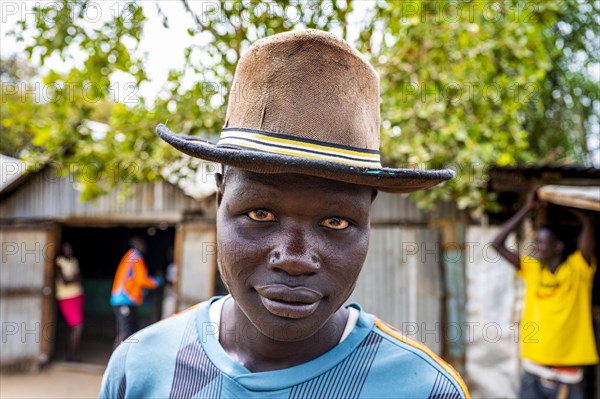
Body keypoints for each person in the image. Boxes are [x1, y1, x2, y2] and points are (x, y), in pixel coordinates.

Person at [100, 29, 469, 398]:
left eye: (335, 221)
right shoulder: (139, 368)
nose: (294, 259)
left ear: (368, 217)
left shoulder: (425, 389)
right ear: (220, 199)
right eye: (261, 213)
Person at [491, 188, 597, 398]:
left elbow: (588, 226)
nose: (535, 246)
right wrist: (527, 208)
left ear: (558, 246)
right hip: (533, 371)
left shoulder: (577, 270)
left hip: (567, 377)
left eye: (541, 242)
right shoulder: (532, 270)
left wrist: (575, 210)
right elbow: (496, 243)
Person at [110, 236, 161, 348]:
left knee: (129, 330)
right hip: (124, 299)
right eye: (142, 244)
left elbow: (134, 280)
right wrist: (157, 281)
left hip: (125, 299)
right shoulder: (136, 257)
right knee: (126, 331)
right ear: (137, 245)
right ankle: (116, 359)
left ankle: (123, 358)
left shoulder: (130, 256)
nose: (145, 247)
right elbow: (141, 280)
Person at [55, 242, 84, 362]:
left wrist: (71, 278)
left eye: (70, 248)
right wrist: (74, 278)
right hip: (66, 297)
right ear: (61, 250)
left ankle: (72, 355)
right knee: (78, 326)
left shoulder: (74, 261)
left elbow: (79, 278)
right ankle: (72, 355)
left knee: (74, 327)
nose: (69, 251)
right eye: (66, 249)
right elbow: (64, 281)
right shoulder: (59, 261)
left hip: (78, 295)